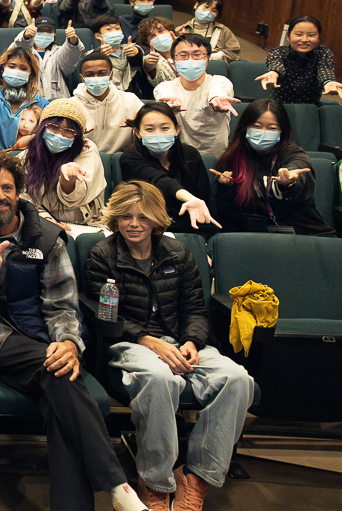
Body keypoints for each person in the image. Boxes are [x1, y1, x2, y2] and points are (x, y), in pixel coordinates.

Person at [0, 151, 150, 511]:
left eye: (7, 187)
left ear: (19, 192)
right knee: (58, 372)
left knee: (60, 380)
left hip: (34, 343)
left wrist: (68, 342)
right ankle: (117, 485)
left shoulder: (47, 238)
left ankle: (105, 496)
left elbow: (62, 304)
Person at [86, 181, 255, 511]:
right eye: (126, 217)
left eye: (143, 217)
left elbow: (195, 308)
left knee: (237, 380)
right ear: (115, 219)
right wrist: (149, 342)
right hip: (129, 343)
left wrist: (193, 341)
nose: (134, 224)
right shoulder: (102, 255)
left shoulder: (178, 253)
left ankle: (195, 475)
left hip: (180, 340)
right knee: (161, 379)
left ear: (156, 220)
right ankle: (154, 482)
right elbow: (105, 315)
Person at [211, 99, 336, 236]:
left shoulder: (293, 153)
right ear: (245, 127)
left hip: (301, 234)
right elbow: (225, 213)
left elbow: (298, 167)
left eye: (272, 128)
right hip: (252, 237)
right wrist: (225, 187)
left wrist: (290, 183)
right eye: (257, 126)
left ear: (282, 131)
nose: (263, 133)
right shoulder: (232, 157)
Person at [119, 101, 219, 235]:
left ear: (177, 130)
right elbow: (160, 181)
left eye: (165, 128)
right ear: (137, 132)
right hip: (150, 232)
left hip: (190, 231)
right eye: (149, 129)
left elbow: (203, 201)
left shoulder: (190, 154)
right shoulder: (130, 158)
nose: (157, 134)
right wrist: (190, 198)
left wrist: (202, 247)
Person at [19, 98, 107, 228]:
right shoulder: (28, 155)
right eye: (54, 127)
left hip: (84, 224)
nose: (60, 135)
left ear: (78, 135)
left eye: (69, 131)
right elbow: (24, 199)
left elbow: (76, 199)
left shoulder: (87, 149)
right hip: (41, 221)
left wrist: (68, 182)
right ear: (43, 126)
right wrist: (46, 220)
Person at [154, 34, 238, 159]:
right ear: (174, 60)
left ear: (207, 59)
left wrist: (216, 99)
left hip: (216, 157)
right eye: (183, 56)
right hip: (179, 157)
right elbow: (164, 95)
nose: (190, 60)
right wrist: (168, 106)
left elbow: (219, 91)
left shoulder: (220, 81)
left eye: (197, 55)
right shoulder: (165, 87)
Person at [0, 46, 51, 151]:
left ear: (30, 74)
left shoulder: (42, 103)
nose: (17, 71)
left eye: (23, 68)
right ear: (2, 69)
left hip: (26, 162)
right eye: (12, 66)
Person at [257, 14, 342, 104]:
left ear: (318, 38)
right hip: (280, 106)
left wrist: (328, 82)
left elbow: (324, 70)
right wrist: (273, 74)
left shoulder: (323, 53)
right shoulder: (279, 52)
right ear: (288, 36)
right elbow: (276, 65)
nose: (304, 39)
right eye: (298, 34)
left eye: (311, 35)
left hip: (310, 107)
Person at [73, 52, 144, 155]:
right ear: (82, 78)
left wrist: (138, 125)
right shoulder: (71, 105)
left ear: (111, 75)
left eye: (102, 73)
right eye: (89, 75)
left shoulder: (131, 100)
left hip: (122, 159)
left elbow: (149, 129)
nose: (96, 78)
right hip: (85, 158)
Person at [15, 18, 83, 100]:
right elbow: (14, 52)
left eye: (49, 31)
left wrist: (72, 40)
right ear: (34, 32)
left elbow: (69, 60)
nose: (44, 33)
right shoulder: (25, 50)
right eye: (40, 30)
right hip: (29, 101)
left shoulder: (58, 52)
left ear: (54, 34)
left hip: (58, 103)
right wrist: (25, 36)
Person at [175, 0, 241, 63]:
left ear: (217, 15)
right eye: (206, 7)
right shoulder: (180, 30)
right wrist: (179, 39)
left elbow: (234, 54)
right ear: (196, 5)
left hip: (214, 68)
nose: (208, 12)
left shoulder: (223, 31)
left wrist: (215, 56)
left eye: (214, 11)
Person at [88, 15, 145, 94]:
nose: (114, 31)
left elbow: (138, 59)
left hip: (131, 97)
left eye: (117, 28)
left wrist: (135, 53)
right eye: (108, 29)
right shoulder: (91, 55)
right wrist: (100, 56)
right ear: (98, 35)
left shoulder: (131, 49)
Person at [136, 17, 178, 96]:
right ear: (147, 42)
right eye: (152, 36)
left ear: (170, 31)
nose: (158, 36)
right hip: (169, 98)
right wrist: (149, 63)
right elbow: (148, 64)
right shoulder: (151, 58)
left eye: (161, 31)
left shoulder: (188, 51)